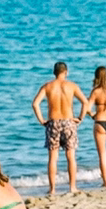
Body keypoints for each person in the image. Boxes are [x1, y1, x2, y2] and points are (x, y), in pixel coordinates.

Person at [31, 61, 91, 195]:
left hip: (53, 122)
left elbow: (35, 104)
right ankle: (72, 187)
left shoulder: (47, 86)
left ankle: (52, 189)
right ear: (66, 72)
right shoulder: (72, 86)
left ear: (54, 72)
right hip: (69, 122)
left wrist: (41, 120)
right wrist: (80, 118)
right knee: (71, 156)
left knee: (53, 157)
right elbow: (85, 102)